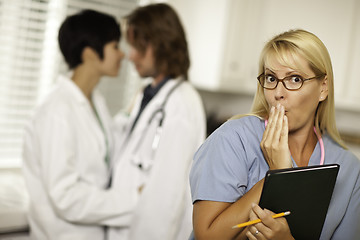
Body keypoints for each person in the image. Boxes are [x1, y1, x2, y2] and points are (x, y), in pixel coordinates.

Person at [189, 29, 360, 240]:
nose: (278, 93)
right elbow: (207, 236)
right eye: (271, 78)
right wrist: (278, 176)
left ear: (323, 87)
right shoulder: (233, 139)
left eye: (295, 79)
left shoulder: (350, 169)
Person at [22, 9, 136, 240]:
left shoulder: (94, 101)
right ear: (90, 54)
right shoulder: (56, 112)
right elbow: (66, 197)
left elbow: (100, 145)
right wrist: (134, 199)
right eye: (115, 46)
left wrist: (131, 113)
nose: (122, 55)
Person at [108, 3, 206, 240]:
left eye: (139, 48)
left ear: (162, 44)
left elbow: (166, 196)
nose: (131, 56)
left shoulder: (181, 103)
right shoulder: (148, 94)